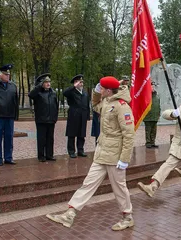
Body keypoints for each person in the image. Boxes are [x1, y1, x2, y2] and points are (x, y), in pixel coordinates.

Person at [46, 76, 135, 230]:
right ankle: (70, 213)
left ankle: (127, 217)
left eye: (101, 88)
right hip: (101, 153)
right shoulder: (107, 102)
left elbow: (128, 134)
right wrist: (95, 91)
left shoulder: (122, 106)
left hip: (115, 156)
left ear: (108, 90)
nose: (99, 90)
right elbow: (95, 105)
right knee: (88, 183)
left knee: (119, 188)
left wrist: (124, 158)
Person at [137, 88, 181, 210]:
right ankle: (153, 186)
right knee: (168, 164)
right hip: (179, 145)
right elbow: (165, 114)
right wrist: (173, 113)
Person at [28, 73, 58, 162]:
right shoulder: (38, 93)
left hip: (51, 120)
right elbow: (30, 95)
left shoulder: (53, 93)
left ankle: (49, 155)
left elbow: (55, 106)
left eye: (49, 82)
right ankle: (41, 156)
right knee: (41, 139)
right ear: (42, 83)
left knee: (50, 138)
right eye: (46, 82)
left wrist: (55, 117)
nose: (48, 84)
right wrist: (38, 87)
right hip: (41, 120)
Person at [63, 74, 90, 158]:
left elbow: (87, 105)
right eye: (79, 82)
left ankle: (80, 150)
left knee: (81, 134)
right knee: (72, 134)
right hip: (73, 116)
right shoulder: (71, 92)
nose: (81, 84)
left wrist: (87, 116)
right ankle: (71, 151)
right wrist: (73, 87)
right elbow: (65, 93)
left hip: (83, 116)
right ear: (75, 83)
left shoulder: (85, 93)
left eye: (82, 82)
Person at [144, 81, 161, 148]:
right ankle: (148, 142)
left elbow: (158, 106)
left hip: (155, 116)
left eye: (153, 86)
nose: (152, 87)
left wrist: (158, 114)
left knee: (154, 131)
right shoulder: (146, 96)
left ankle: (153, 142)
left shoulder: (157, 96)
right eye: (151, 86)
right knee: (148, 131)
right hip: (148, 116)